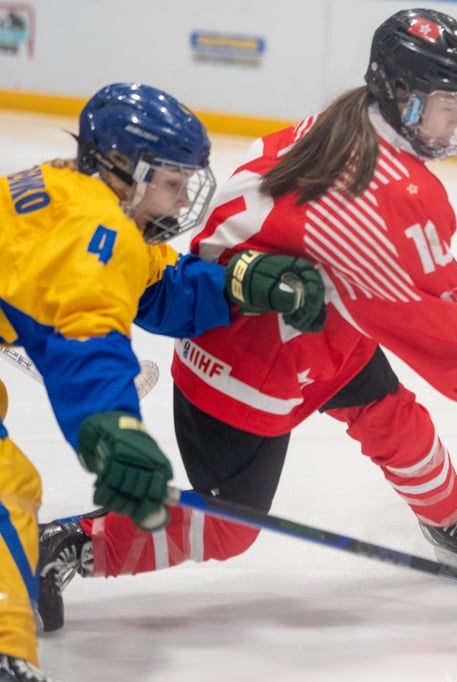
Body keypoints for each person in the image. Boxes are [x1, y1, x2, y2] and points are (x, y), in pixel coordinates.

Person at [35, 8, 457, 634]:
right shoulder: (390, 190)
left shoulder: (338, 122)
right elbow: (429, 314)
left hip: (323, 327)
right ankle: (72, 545)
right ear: (399, 95)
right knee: (231, 528)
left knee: (393, 419)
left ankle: (446, 518)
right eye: (445, 105)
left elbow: (244, 219)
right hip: (245, 365)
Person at [0, 83, 327, 681]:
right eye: (172, 184)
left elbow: (148, 285)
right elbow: (87, 340)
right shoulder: (94, 231)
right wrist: (114, 429)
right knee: (7, 490)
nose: (180, 203)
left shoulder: (70, 189)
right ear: (126, 170)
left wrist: (235, 284)